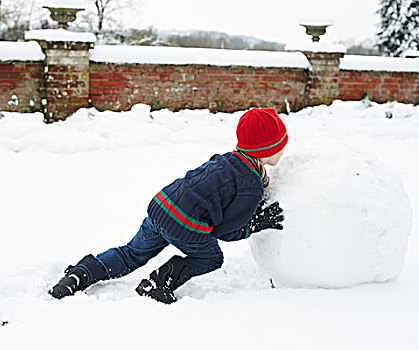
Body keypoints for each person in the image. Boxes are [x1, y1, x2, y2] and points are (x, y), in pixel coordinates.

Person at [49, 108, 288, 304]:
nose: (284, 149)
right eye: (280, 144)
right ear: (267, 149)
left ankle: (80, 274)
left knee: (132, 253)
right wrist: (254, 224)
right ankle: (158, 283)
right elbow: (225, 231)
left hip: (162, 206)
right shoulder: (250, 185)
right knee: (211, 258)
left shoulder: (227, 159)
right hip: (186, 224)